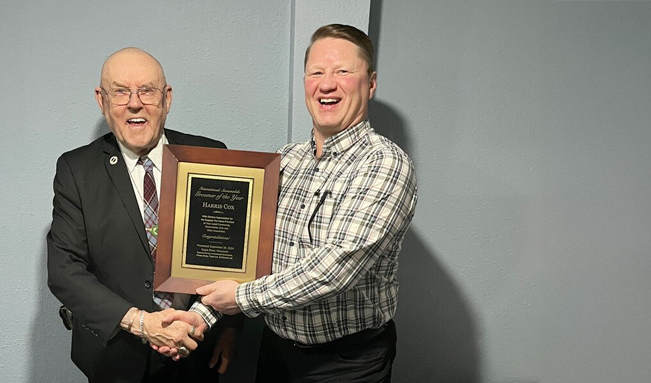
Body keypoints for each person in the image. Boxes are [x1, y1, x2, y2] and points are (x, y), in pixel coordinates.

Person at [163, 24, 418, 382]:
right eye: (316, 72)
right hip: (276, 352)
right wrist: (202, 316)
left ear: (370, 83)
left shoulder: (384, 164)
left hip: (345, 365)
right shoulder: (286, 160)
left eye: (343, 71)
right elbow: (249, 258)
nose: (326, 83)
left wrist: (242, 298)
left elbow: (333, 270)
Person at [47, 47, 238, 383]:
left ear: (166, 98)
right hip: (117, 355)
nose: (134, 103)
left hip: (198, 351)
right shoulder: (76, 170)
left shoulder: (211, 156)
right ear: (101, 100)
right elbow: (65, 271)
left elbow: (234, 256)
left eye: (146, 91)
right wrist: (141, 323)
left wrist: (228, 329)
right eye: (120, 91)